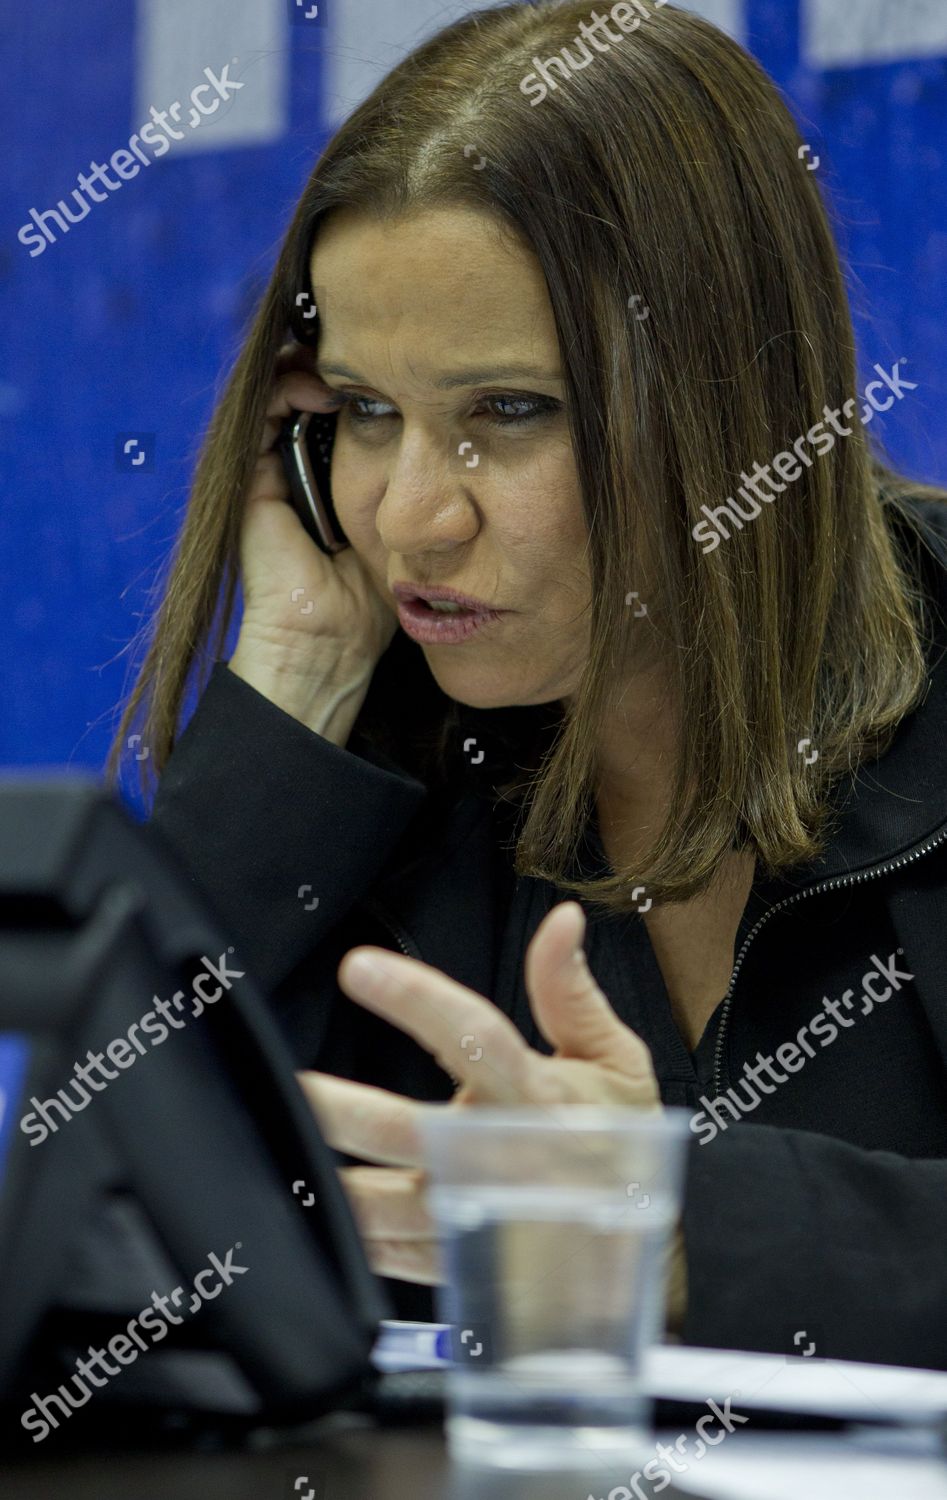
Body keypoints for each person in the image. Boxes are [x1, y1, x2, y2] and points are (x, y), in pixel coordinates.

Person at [108, 1, 947, 1368]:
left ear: (731, 395)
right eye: (370, 412)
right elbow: (92, 1264)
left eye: (510, 412)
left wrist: (686, 1233)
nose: (412, 520)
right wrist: (297, 696)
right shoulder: (387, 747)